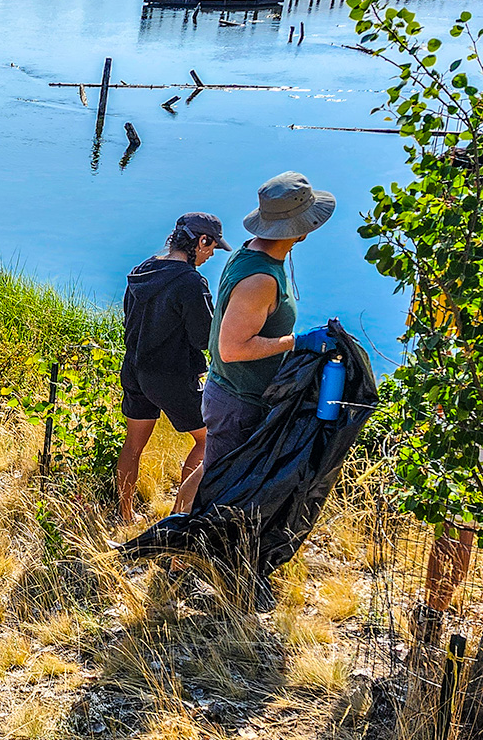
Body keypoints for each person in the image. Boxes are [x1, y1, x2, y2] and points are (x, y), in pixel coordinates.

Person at [203, 173, 337, 470]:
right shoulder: (260, 280)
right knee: (221, 489)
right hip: (238, 404)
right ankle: (182, 518)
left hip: (231, 395)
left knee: (211, 473)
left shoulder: (252, 250)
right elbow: (232, 349)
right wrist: (297, 342)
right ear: (300, 229)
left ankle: (176, 515)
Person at [116, 212, 231, 523]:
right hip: (171, 376)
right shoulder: (191, 282)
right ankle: (179, 519)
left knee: (133, 445)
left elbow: (129, 318)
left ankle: (125, 517)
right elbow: (203, 338)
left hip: (135, 368)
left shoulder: (143, 269)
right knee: (208, 440)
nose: (210, 255)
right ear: (201, 241)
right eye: (212, 248)